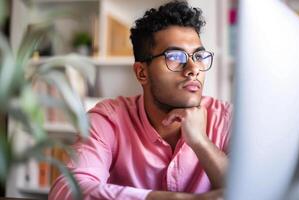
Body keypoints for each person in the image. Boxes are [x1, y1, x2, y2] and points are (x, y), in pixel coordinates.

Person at [49, 1, 232, 199]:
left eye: (199, 55)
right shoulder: (108, 120)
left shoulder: (226, 119)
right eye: (176, 56)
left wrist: (201, 142)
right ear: (142, 73)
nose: (194, 68)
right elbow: (67, 191)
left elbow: (253, 192)